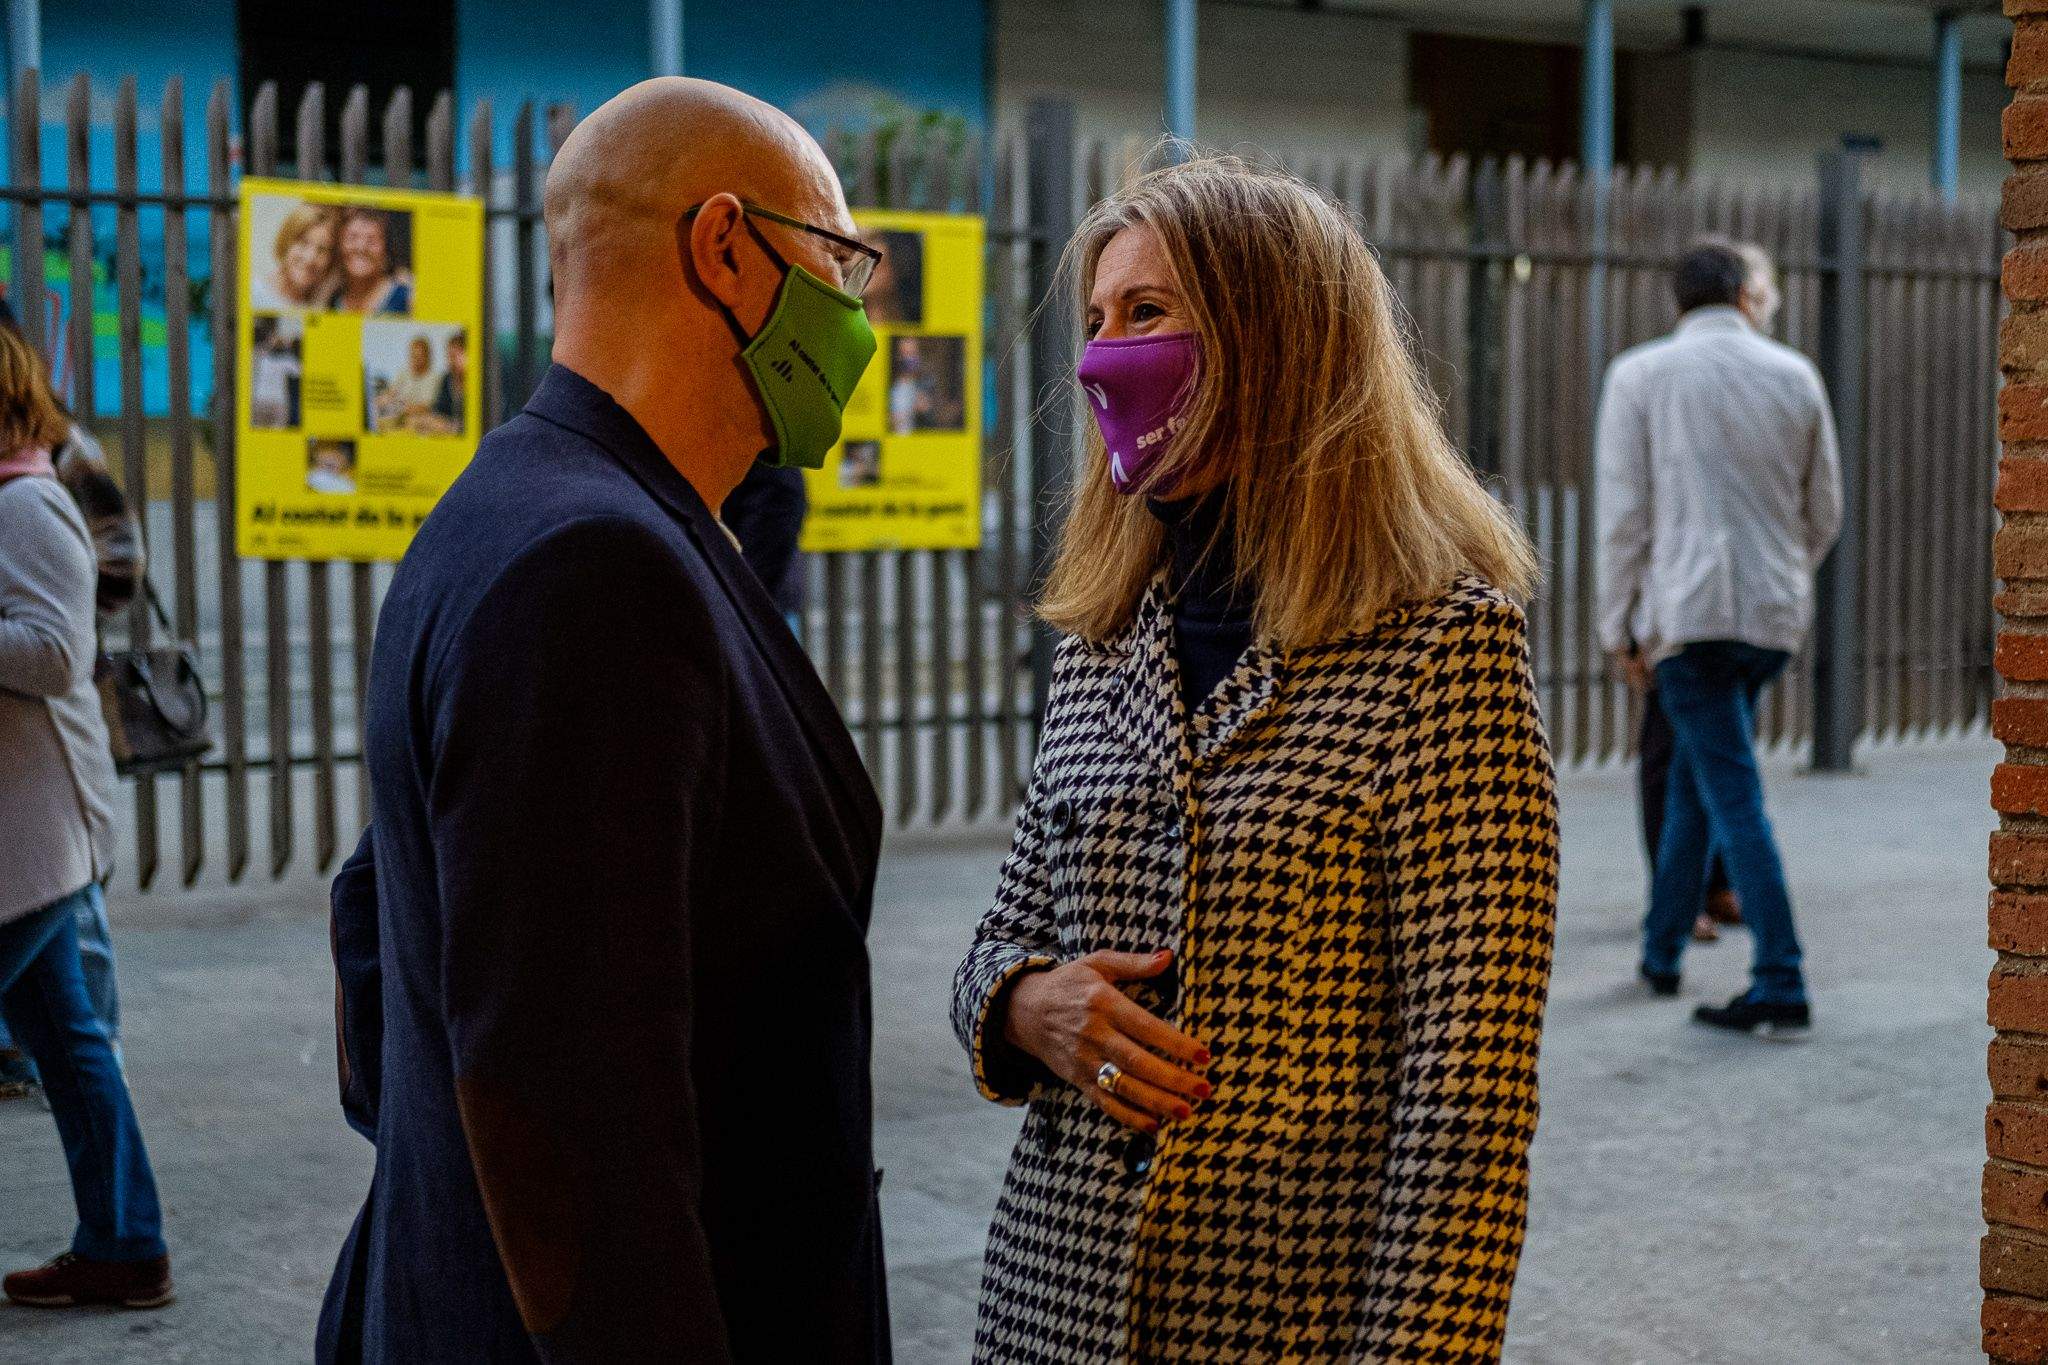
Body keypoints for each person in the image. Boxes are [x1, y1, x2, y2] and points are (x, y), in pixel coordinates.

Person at [317, 77, 888, 1364]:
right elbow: (577, 1125)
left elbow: (375, 925)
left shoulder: (520, 501)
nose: (854, 313)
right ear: (726, 249)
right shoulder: (595, 567)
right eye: (839, 259)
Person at [950, 156, 1558, 1361]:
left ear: (1271, 337)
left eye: (1147, 313)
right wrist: (1024, 1006)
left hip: (1286, 1322)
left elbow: (1466, 1104)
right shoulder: (1099, 643)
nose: (1099, 357)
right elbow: (993, 941)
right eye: (1094, 321)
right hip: (1048, 1307)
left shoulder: (1443, 651)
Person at [1597, 238, 1842, 1034]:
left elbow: (1623, 518)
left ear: (1679, 300)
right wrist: (1784, 576)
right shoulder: (1796, 374)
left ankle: (1782, 976)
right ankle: (1661, 951)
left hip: (1688, 618)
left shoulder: (1639, 376)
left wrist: (1620, 625)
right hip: (1770, 622)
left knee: (1731, 795)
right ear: (1742, 294)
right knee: (1703, 787)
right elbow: (1824, 511)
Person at [0, 324, 172, 1309]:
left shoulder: (31, 503)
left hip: (35, 839)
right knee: (67, 1039)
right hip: (25, 838)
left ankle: (126, 1243)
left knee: (69, 1034)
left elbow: (56, 652)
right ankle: (124, 1245)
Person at [723, 460, 807, 631]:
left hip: (753, 606)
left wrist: (741, 597)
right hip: (754, 602)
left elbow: (779, 513)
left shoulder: (768, 465)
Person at [250, 202, 339, 311]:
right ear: (286, 241)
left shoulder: (321, 306)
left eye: (322, 249)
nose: (310, 258)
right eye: (303, 242)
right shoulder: (253, 294)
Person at [327, 209, 412, 315]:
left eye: (372, 241)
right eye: (352, 238)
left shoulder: (408, 298)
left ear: (386, 249)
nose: (361, 247)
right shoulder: (331, 301)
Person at [430, 331, 468, 431]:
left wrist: (450, 427)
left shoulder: (478, 382)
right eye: (449, 356)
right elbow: (438, 411)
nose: (450, 361)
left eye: (454, 356)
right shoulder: (447, 379)